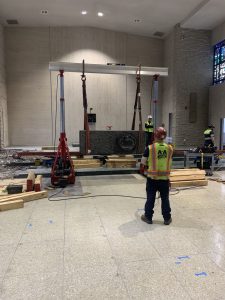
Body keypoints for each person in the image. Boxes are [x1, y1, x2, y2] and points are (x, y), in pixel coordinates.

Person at [140, 127, 173, 225]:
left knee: (150, 198)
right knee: (165, 199)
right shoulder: (170, 148)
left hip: (152, 180)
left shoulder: (150, 148)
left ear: (155, 135)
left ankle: (148, 217)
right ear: (164, 136)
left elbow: (142, 164)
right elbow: (168, 163)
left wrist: (144, 170)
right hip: (165, 179)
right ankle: (167, 218)